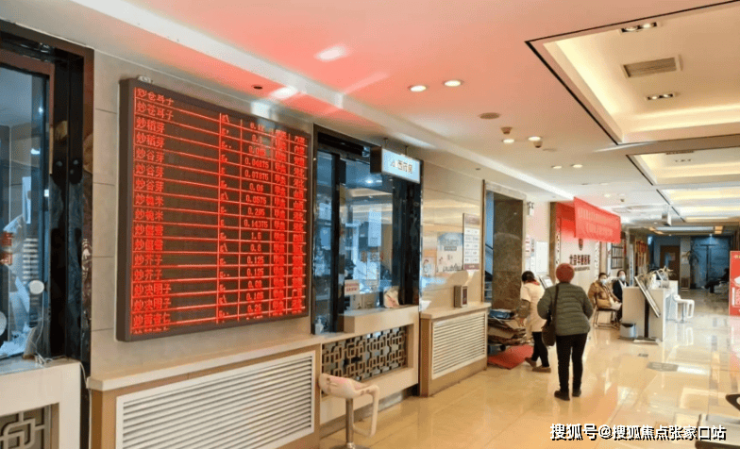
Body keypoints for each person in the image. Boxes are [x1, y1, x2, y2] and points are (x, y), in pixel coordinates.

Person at [538, 263, 593, 401]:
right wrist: (579, 320)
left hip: (563, 330)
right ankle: (576, 390)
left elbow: (541, 309)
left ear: (557, 275)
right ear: (572, 276)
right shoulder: (579, 290)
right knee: (577, 359)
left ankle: (564, 391)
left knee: (563, 361)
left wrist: (549, 316)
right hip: (582, 329)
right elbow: (589, 310)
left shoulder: (551, 291)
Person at [521, 271, 550, 373]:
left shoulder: (526, 287)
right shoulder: (538, 285)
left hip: (536, 315)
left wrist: (521, 316)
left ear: (524, 280)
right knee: (538, 338)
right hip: (544, 314)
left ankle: (545, 365)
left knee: (539, 340)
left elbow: (525, 304)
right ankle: (533, 359)